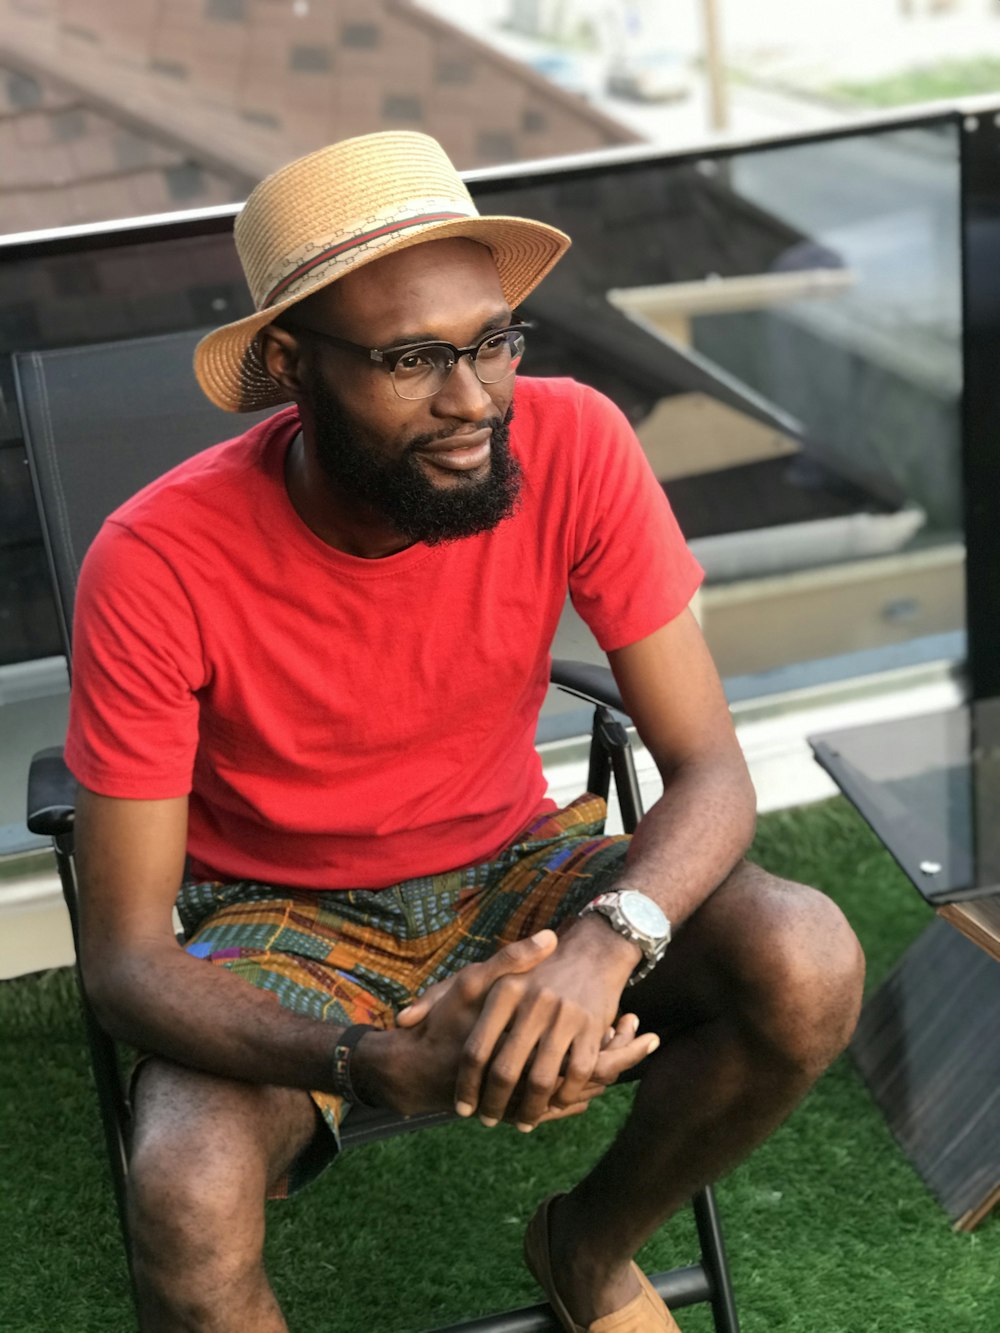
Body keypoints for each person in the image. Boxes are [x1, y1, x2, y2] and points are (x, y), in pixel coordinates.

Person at [67, 130, 865, 1333]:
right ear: (289, 363)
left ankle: (587, 1248)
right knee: (182, 1189)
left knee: (805, 954)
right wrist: (368, 1059)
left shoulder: (576, 439)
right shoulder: (153, 559)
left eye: (492, 339)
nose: (472, 398)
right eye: (411, 359)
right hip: (287, 918)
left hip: (518, 869)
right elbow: (126, 961)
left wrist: (603, 946)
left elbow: (710, 771)